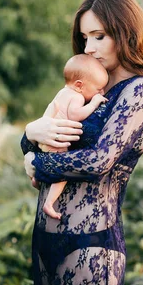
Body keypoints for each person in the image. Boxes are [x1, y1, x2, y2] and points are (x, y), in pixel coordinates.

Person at [20, 0, 143, 285]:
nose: (89, 48)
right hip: (46, 237)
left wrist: (37, 164)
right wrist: (30, 134)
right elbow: (51, 132)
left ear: (125, 32)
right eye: (84, 37)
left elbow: (98, 161)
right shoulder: (89, 85)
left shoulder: (140, 90)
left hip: (91, 243)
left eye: (99, 36)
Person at [38, 54, 109, 220]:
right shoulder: (77, 97)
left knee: (46, 161)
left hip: (46, 138)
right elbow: (75, 115)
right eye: (98, 89)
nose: (101, 92)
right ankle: (49, 203)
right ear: (79, 85)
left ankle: (36, 179)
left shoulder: (63, 92)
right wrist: (93, 103)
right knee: (62, 174)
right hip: (57, 141)